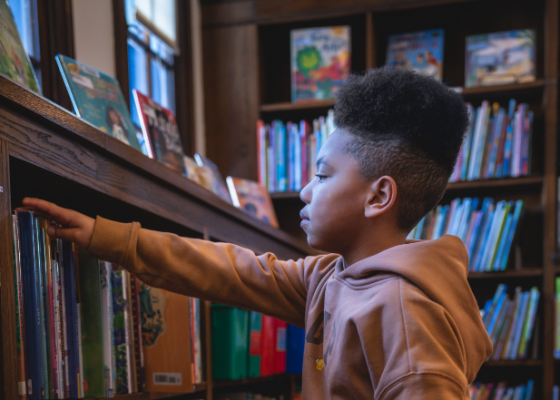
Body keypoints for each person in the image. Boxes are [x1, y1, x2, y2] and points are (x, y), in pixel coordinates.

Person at [22, 67, 492, 399]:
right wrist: (109, 237)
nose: (306, 192)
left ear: (378, 197)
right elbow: (229, 269)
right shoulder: (330, 276)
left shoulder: (406, 314)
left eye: (324, 176)